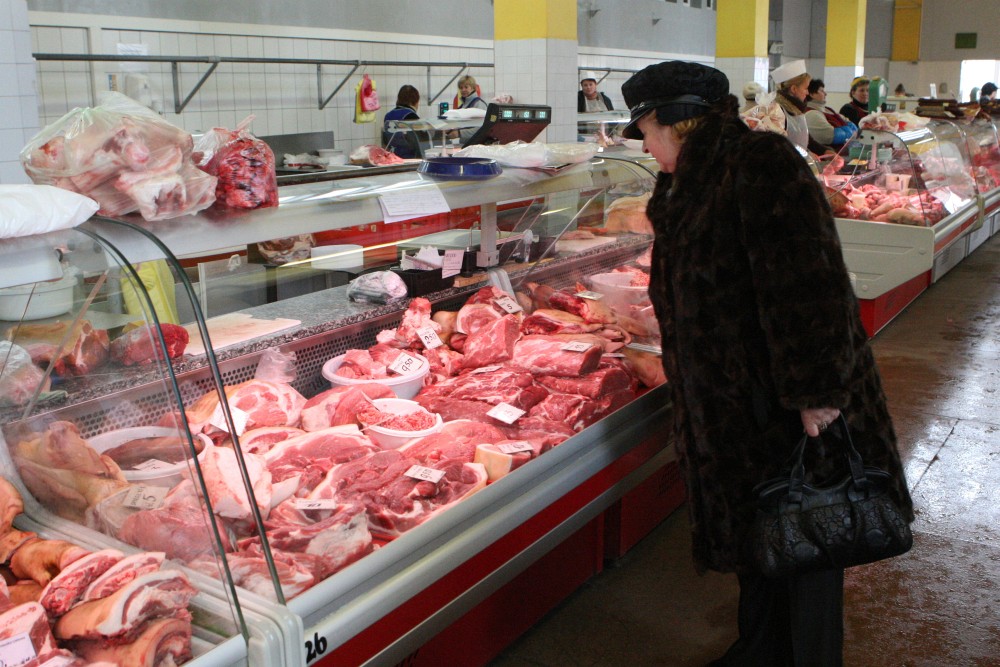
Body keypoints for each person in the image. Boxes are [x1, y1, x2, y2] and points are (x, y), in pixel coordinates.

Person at [619, 60, 914, 667]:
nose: (644, 147)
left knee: (810, 534)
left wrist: (817, 393)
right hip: (734, 403)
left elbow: (810, 282)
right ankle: (759, 650)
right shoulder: (684, 181)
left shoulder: (759, 162)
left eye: (645, 131)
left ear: (675, 121)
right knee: (762, 538)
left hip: (785, 397)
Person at [770, 59, 826, 154]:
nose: (807, 93)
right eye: (806, 88)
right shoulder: (777, 111)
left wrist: (825, 151)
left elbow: (805, 138)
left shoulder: (796, 109)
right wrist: (807, 155)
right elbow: (780, 146)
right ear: (794, 89)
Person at [805, 79, 858, 152]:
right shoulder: (812, 114)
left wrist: (849, 132)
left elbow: (853, 127)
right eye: (822, 91)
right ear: (811, 94)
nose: (825, 93)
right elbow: (832, 136)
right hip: (832, 155)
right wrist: (851, 133)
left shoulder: (828, 110)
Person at [382, 85, 422, 159]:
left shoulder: (388, 115)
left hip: (392, 157)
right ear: (416, 101)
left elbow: (385, 140)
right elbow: (419, 141)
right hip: (409, 158)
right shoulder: (411, 116)